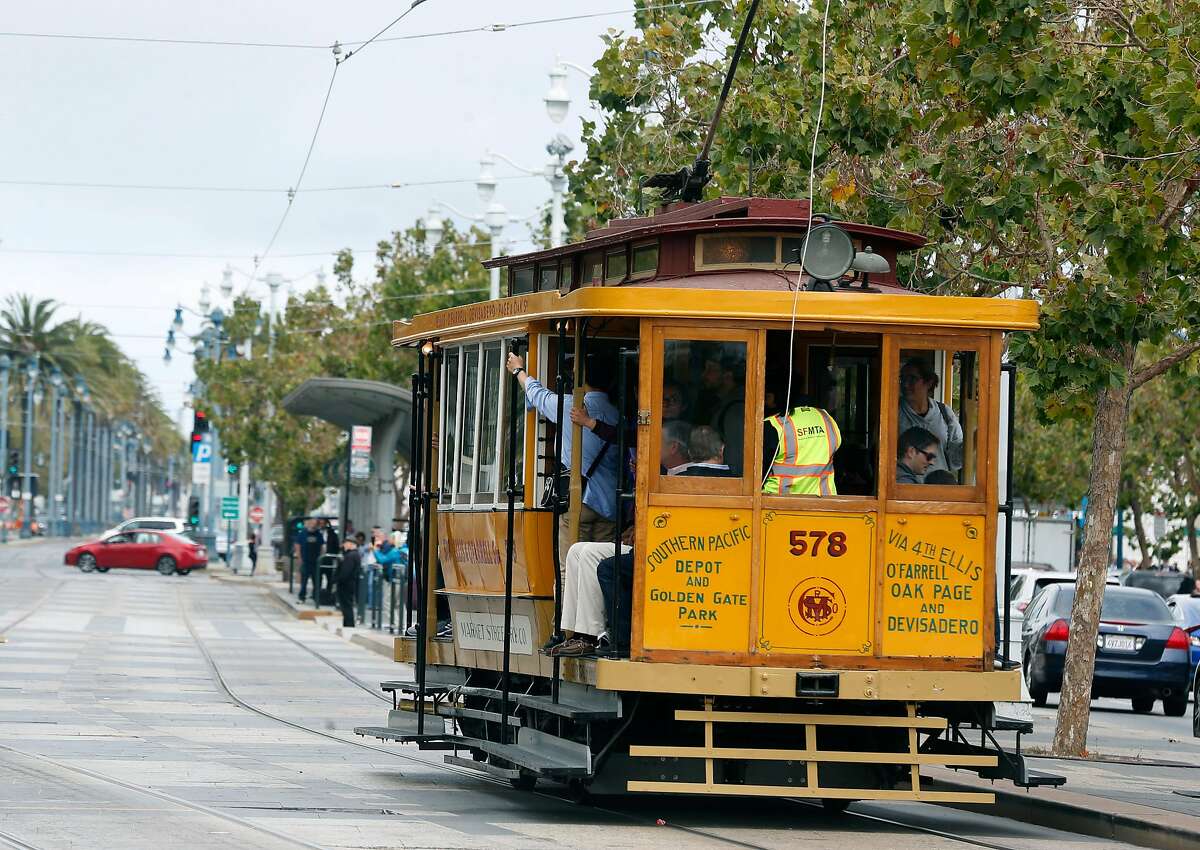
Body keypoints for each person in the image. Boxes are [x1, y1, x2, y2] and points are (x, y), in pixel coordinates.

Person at [507, 350, 619, 561]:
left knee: (571, 566)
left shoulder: (570, 406)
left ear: (582, 378)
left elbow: (537, 394)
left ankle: (568, 596)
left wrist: (519, 371)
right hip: (610, 504)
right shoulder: (618, 415)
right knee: (601, 566)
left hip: (579, 500)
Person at [761, 376, 841, 496]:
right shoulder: (827, 418)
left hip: (779, 505)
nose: (765, 402)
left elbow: (756, 471)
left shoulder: (774, 425)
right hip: (824, 505)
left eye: (767, 397)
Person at [898, 357, 963, 476]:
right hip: (902, 488)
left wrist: (974, 441)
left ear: (929, 382)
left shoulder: (945, 413)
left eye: (912, 379)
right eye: (903, 379)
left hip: (937, 490)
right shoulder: (892, 412)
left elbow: (955, 461)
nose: (906, 385)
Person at [294, 519, 323, 602]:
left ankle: (315, 596)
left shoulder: (319, 535)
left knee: (317, 581)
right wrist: (299, 558)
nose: (313, 525)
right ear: (309, 524)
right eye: (312, 523)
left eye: (315, 524)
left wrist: (321, 558)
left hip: (315, 561)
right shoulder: (302, 534)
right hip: (305, 561)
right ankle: (302, 596)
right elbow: (297, 545)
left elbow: (321, 546)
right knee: (304, 580)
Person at [336, 538, 361, 628]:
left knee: (346, 605)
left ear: (351, 544)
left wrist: (338, 579)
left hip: (346, 584)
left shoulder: (351, 556)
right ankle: (347, 623)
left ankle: (349, 624)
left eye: (346, 544)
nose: (344, 546)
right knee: (346, 605)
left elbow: (346, 571)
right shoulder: (353, 554)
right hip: (349, 583)